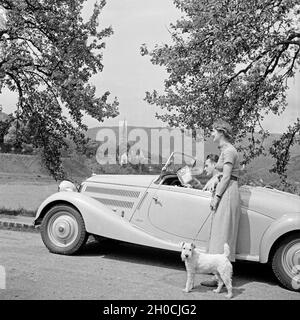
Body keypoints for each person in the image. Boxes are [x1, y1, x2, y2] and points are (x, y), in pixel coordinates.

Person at [201, 119, 242, 287]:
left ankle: (220, 277)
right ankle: (218, 275)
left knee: (222, 233)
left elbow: (226, 176)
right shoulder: (226, 150)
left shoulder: (229, 151)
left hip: (227, 193)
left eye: (213, 131)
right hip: (225, 191)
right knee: (219, 232)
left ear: (221, 132)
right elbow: (222, 175)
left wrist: (216, 197)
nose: (211, 134)